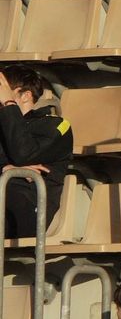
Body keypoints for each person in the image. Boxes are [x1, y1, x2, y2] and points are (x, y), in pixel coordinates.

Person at [0, 65, 71, 237]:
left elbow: (24, 154)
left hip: (29, 210)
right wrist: (4, 169)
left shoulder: (56, 126)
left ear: (26, 95)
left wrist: (8, 104)